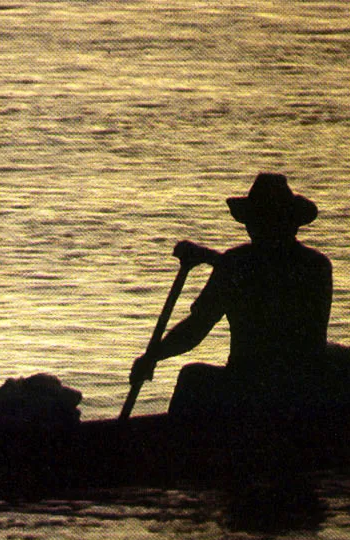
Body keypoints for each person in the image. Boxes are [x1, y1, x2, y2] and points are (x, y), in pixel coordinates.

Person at [130, 173, 332, 413]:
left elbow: (196, 329)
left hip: (250, 386)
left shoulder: (236, 265)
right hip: (303, 386)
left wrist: (151, 357)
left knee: (192, 377)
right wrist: (213, 259)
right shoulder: (316, 265)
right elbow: (268, 271)